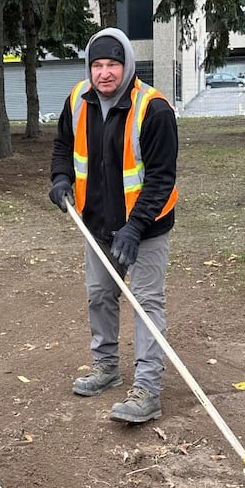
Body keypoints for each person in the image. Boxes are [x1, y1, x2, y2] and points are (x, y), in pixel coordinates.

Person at [48, 27, 178, 425]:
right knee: (99, 297)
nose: (104, 73)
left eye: (113, 65)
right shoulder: (78, 99)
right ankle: (106, 367)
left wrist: (135, 228)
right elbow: (62, 146)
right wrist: (60, 178)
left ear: (127, 66)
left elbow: (161, 178)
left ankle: (147, 389)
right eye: (97, 65)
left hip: (147, 229)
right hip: (98, 225)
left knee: (145, 303)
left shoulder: (153, 110)